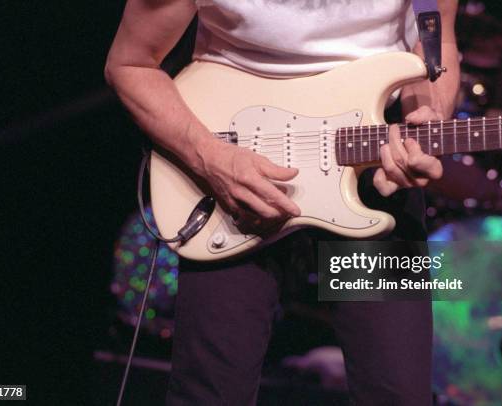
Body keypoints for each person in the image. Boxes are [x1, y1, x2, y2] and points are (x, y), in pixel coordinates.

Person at [105, 1, 460, 404]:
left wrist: (428, 116)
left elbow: (437, 38)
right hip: (232, 163)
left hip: (373, 159)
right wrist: (211, 159)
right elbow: (130, 65)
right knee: (211, 393)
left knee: (399, 394)